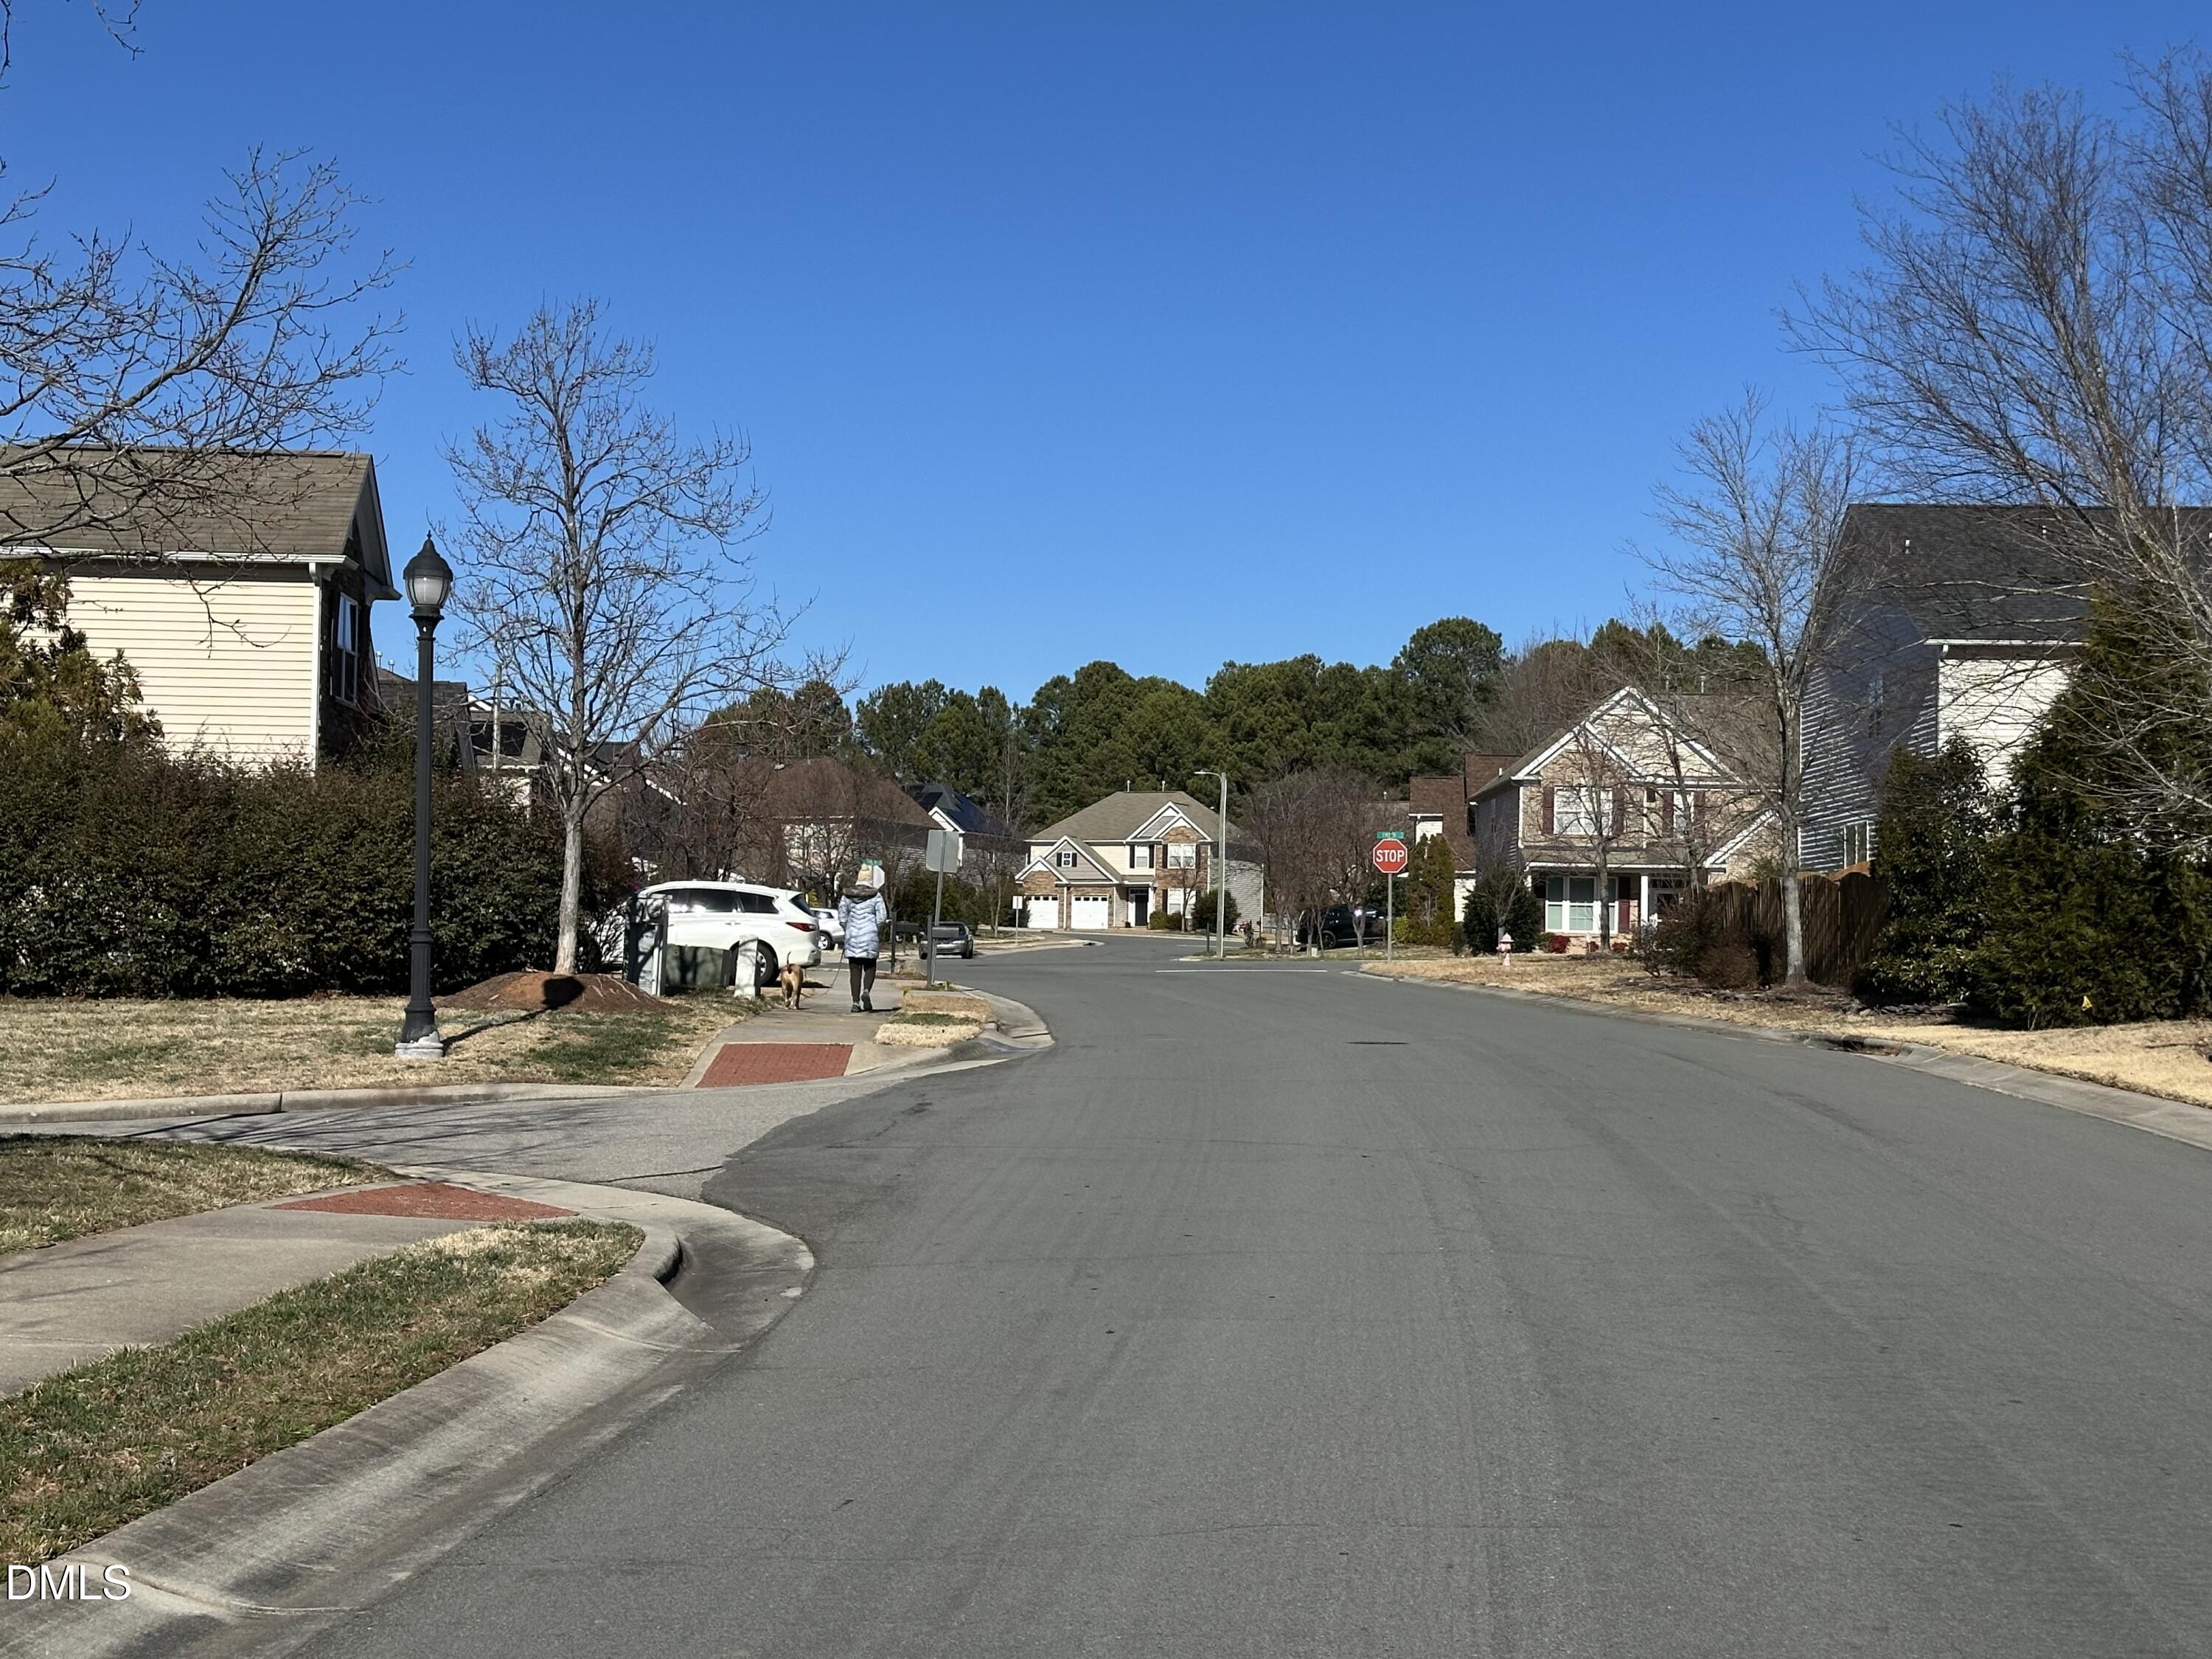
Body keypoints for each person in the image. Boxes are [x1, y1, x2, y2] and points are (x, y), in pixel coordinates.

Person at [837, 882, 890, 1013]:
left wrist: (848, 929)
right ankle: (866, 990)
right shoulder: (876, 896)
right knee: (870, 966)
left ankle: (855, 1003)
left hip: (853, 936)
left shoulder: (847, 896)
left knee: (855, 970)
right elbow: (882, 918)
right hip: (869, 936)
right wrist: (874, 929)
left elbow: (842, 918)